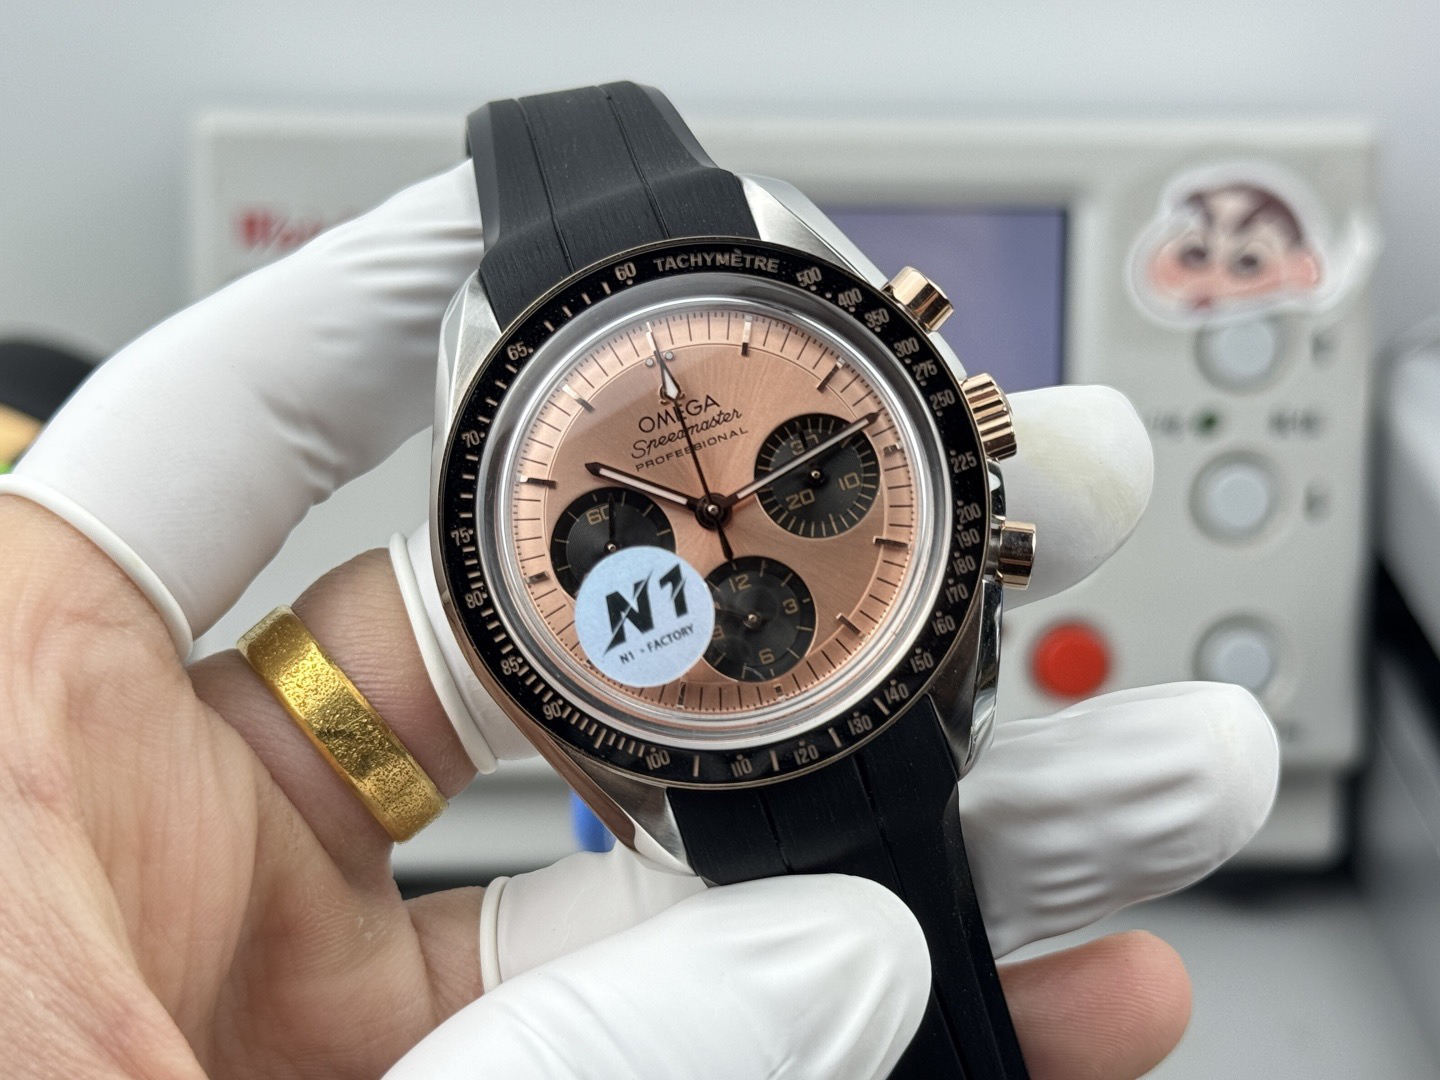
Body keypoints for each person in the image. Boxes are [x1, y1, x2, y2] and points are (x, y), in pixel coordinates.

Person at [0, 160, 1277, 1078]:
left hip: (865, 685)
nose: (716, 511)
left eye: (785, 479)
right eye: (667, 508)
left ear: (959, 429)